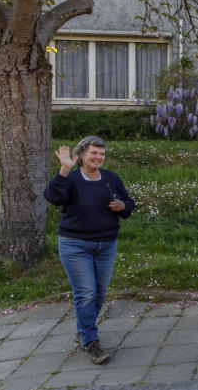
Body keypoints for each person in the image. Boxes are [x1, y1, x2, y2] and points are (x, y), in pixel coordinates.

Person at [44, 136, 135, 365]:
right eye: (94, 153)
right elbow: (54, 197)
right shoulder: (72, 178)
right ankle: (91, 342)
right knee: (86, 293)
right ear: (82, 154)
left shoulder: (111, 178)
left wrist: (123, 206)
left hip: (106, 244)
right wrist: (64, 170)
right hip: (75, 245)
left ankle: (83, 332)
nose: (98, 157)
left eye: (102, 154)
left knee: (100, 292)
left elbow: (128, 205)